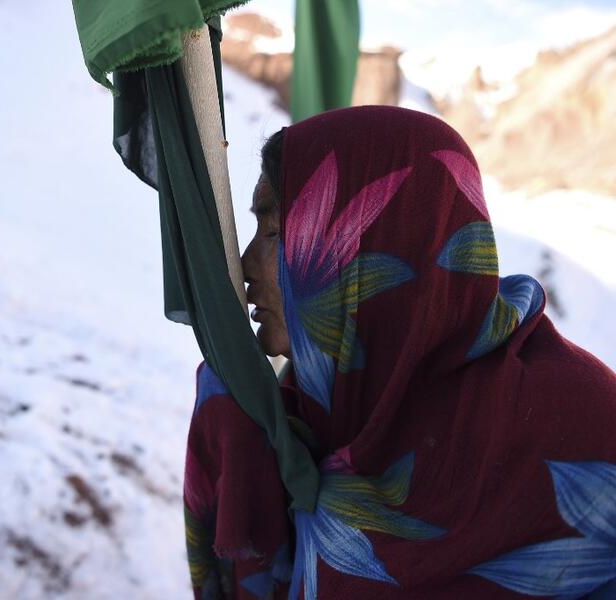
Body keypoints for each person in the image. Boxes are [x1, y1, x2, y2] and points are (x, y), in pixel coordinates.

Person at [182, 105, 616, 600]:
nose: (244, 266)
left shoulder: (583, 425)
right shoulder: (299, 429)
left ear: (376, 244)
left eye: (276, 233)